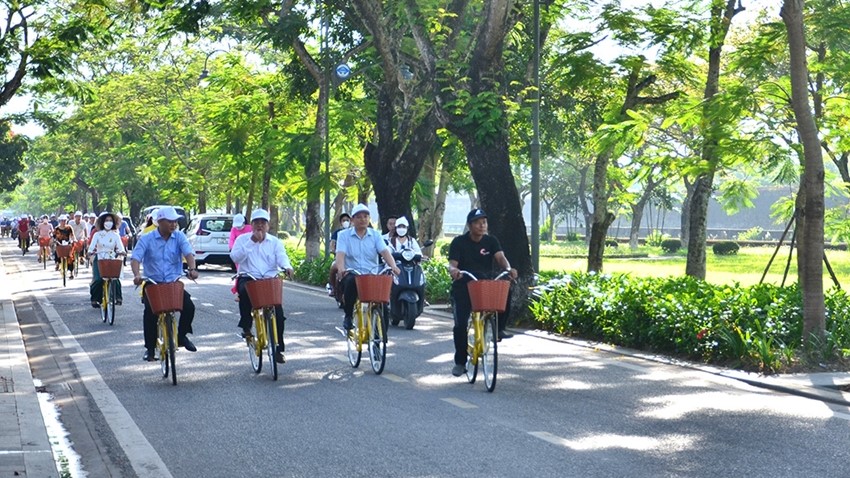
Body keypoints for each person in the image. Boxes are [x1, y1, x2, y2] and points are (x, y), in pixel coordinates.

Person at [447, 208, 517, 377]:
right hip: (464, 285)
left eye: (484, 222)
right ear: (470, 225)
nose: (482, 225)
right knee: (460, 325)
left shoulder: (491, 241)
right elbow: (452, 264)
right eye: (478, 222)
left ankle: (499, 328)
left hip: (484, 284)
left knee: (506, 289)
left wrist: (508, 269)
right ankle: (460, 362)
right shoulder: (458, 242)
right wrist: (454, 271)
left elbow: (500, 258)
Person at [130, 206, 200, 362]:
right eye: (170, 221)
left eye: (175, 221)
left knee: (189, 306)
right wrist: (137, 275)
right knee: (150, 313)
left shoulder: (179, 237)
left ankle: (181, 336)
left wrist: (192, 269)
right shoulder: (147, 239)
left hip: (173, 283)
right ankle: (149, 349)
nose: (173, 224)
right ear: (159, 222)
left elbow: (188, 253)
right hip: (153, 283)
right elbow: (135, 258)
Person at [229, 209, 294, 364]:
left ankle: (278, 349)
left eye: (263, 223)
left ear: (268, 226)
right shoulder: (243, 240)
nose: (260, 226)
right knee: (244, 292)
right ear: (251, 225)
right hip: (249, 277)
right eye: (256, 223)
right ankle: (246, 326)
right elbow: (235, 257)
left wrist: (287, 267)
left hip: (268, 279)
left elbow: (282, 257)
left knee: (278, 312)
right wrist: (252, 241)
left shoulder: (275, 242)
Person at [334, 203, 400, 331]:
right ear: (352, 220)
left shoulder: (375, 235)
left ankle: (381, 335)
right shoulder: (343, 235)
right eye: (359, 217)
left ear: (369, 219)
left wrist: (393, 266)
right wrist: (341, 269)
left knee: (382, 300)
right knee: (351, 281)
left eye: (365, 216)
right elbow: (340, 254)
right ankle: (348, 316)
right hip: (353, 273)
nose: (363, 219)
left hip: (372, 274)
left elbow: (384, 252)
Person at [88, 212, 126, 308]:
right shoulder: (97, 234)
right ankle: (95, 299)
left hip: (111, 258)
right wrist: (90, 252)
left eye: (110, 221)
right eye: (106, 220)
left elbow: (120, 247)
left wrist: (122, 252)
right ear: (102, 222)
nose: (108, 223)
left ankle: (117, 297)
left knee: (115, 278)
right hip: (100, 258)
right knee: (98, 279)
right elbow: (92, 246)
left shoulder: (115, 235)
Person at [326, 212, 350, 298]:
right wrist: (334, 251)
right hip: (339, 259)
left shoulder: (352, 233)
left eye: (347, 220)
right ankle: (333, 287)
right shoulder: (337, 233)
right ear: (341, 222)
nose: (346, 222)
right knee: (333, 268)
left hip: (351, 260)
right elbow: (332, 244)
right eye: (344, 220)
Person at [228, 212, 253, 295]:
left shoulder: (250, 228)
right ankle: (238, 291)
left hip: (249, 253)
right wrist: (232, 249)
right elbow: (231, 240)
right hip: (238, 253)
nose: (238, 227)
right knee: (240, 273)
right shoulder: (234, 229)